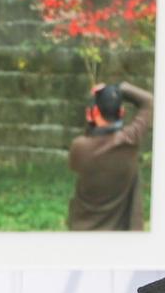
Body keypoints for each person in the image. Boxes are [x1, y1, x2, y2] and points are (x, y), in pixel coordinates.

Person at [66, 81, 154, 233]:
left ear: (92, 114)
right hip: (120, 237)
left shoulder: (79, 148)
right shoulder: (130, 139)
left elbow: (88, 140)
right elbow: (148, 101)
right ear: (121, 113)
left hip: (82, 233)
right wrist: (119, 88)